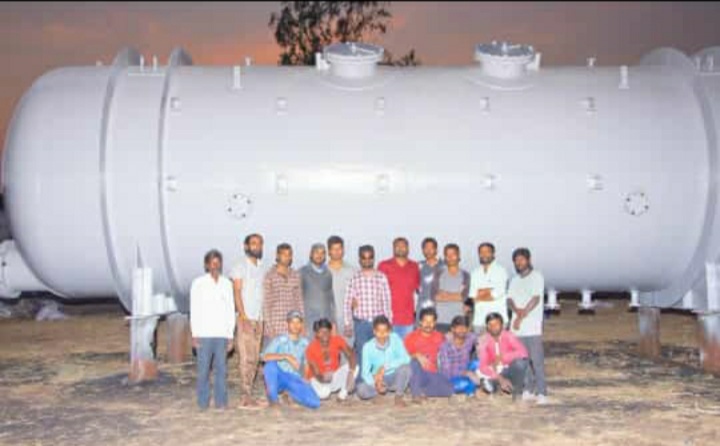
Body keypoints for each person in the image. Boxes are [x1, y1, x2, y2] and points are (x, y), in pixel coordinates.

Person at [190, 249, 235, 410]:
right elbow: (194, 309)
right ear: (206, 265)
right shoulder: (198, 283)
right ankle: (203, 402)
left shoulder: (227, 284)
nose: (215, 266)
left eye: (218, 263)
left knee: (221, 370)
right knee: (203, 371)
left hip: (222, 334)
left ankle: (221, 402)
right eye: (212, 263)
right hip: (204, 334)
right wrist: (195, 334)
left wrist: (230, 335)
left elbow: (230, 310)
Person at [230, 233, 267, 408]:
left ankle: (249, 394)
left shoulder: (262, 267)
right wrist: (243, 315)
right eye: (253, 243)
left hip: (259, 318)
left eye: (259, 244)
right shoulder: (240, 266)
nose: (257, 247)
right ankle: (245, 397)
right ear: (246, 247)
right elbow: (237, 291)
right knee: (246, 358)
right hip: (247, 318)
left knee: (255, 357)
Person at [343, 245, 392, 377]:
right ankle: (362, 382)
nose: (367, 261)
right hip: (361, 324)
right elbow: (347, 302)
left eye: (370, 258)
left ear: (373, 259)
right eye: (364, 258)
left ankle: (379, 382)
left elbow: (386, 301)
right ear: (360, 260)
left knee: (379, 353)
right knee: (362, 353)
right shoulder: (354, 278)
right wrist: (348, 324)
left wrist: (389, 323)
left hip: (378, 324)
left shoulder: (381, 277)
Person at [507, 248, 549, 405]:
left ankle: (542, 392)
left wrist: (521, 315)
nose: (519, 263)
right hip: (517, 329)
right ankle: (528, 389)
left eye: (521, 259)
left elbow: (536, 299)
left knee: (536, 361)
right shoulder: (514, 280)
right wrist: (516, 312)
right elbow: (510, 299)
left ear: (528, 260)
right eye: (516, 260)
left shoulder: (537, 276)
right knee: (522, 360)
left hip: (532, 327)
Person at [261, 310, 320, 410]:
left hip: (294, 377)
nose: (295, 325)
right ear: (287, 324)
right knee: (270, 366)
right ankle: (273, 399)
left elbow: (307, 363)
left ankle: (289, 394)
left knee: (315, 402)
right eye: (292, 322)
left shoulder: (305, 343)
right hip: (279, 376)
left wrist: (305, 377)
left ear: (301, 325)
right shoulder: (280, 340)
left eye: (298, 322)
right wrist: (286, 356)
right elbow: (264, 357)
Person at [356, 315, 412, 407]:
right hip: (378, 378)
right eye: (379, 331)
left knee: (406, 368)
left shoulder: (395, 339)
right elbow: (365, 373)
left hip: (394, 376)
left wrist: (385, 367)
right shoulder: (368, 347)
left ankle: (398, 395)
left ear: (389, 331)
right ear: (374, 332)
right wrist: (375, 383)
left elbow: (406, 358)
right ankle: (379, 393)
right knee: (361, 390)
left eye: (385, 331)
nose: (382, 334)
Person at [404, 308, 454, 401]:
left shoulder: (439, 337)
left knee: (449, 390)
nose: (428, 324)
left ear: (435, 323)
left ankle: (421, 390)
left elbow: (448, 353)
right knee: (414, 362)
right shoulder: (411, 337)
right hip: (417, 373)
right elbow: (402, 358)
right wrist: (416, 355)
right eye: (425, 321)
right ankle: (416, 394)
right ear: (420, 322)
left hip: (432, 373)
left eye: (431, 322)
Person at [477, 312, 529, 401]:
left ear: (502, 325)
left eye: (496, 324)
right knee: (487, 384)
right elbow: (483, 367)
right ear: (487, 327)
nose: (493, 327)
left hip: (509, 370)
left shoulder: (509, 336)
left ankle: (517, 393)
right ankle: (497, 388)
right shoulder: (484, 340)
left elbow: (524, 353)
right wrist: (500, 379)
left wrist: (503, 357)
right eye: (490, 325)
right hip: (495, 372)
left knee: (520, 363)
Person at [305, 318, 358, 401]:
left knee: (355, 367)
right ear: (316, 334)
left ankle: (343, 393)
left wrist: (351, 372)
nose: (324, 334)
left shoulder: (337, 340)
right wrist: (324, 378)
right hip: (318, 379)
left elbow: (351, 354)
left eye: (327, 331)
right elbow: (316, 373)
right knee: (324, 393)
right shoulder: (310, 348)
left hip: (333, 376)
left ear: (330, 332)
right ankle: (314, 390)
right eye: (321, 332)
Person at [378, 237, 420, 339]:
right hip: (388, 318)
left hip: (408, 319)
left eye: (403, 246)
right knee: (388, 347)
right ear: (393, 248)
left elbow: (419, 289)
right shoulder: (384, 265)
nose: (400, 248)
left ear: (408, 248)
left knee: (405, 347)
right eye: (397, 246)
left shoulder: (414, 266)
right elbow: (376, 290)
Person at [262, 243, 304, 340]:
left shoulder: (295, 275)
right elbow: (266, 304)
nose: (287, 257)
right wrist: (269, 327)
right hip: (275, 327)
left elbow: (299, 301)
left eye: (289, 254)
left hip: (293, 327)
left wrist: (302, 323)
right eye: (284, 254)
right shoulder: (269, 276)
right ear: (277, 256)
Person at [468, 242, 509, 334]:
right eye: (481, 252)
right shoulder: (475, 273)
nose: (484, 254)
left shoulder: (501, 271)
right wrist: (487, 291)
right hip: (479, 321)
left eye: (487, 252)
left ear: (493, 254)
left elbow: (495, 294)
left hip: (497, 321)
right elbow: (472, 296)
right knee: (480, 344)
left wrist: (480, 294)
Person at [299, 243, 335, 336]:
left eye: (322, 253)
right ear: (311, 254)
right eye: (316, 252)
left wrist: (333, 322)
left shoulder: (328, 274)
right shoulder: (302, 272)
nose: (319, 255)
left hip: (325, 321)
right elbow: (297, 298)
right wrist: (301, 322)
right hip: (308, 321)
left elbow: (331, 299)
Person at [438, 315, 479, 396]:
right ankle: (471, 388)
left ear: (468, 329)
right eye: (458, 327)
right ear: (452, 329)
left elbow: (479, 337)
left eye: (464, 327)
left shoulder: (469, 339)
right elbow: (446, 372)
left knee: (478, 363)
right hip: (452, 378)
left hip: (467, 371)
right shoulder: (445, 347)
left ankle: (475, 384)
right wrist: (465, 373)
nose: (461, 330)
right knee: (465, 383)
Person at [435, 244, 471, 333]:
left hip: (459, 321)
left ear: (458, 256)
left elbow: (463, 297)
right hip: (440, 320)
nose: (450, 257)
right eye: (447, 255)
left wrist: (445, 294)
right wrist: (456, 295)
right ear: (445, 257)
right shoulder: (438, 274)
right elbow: (435, 296)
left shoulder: (466, 275)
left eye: (453, 254)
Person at [327, 235, 357, 340]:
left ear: (343, 250)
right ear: (329, 251)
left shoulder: (352, 270)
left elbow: (358, 293)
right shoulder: (323, 271)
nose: (337, 252)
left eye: (339, 248)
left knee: (347, 347)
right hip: (328, 319)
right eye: (333, 249)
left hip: (348, 319)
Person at [417, 237, 445, 319]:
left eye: (431, 248)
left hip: (442, 312)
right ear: (422, 250)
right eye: (426, 248)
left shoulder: (445, 266)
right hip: (422, 311)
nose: (428, 250)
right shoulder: (417, 266)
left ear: (436, 250)